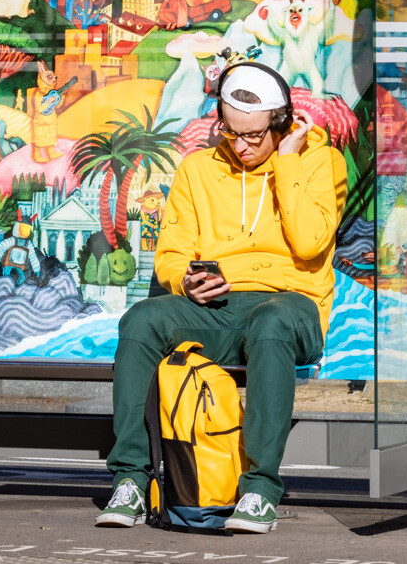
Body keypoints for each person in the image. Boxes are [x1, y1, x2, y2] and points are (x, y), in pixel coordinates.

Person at [96, 61, 346, 533]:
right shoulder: (197, 169)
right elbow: (170, 256)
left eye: (254, 135)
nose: (243, 146)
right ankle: (130, 480)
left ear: (282, 124)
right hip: (219, 306)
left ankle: (260, 489)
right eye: (232, 133)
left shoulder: (318, 162)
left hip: (291, 305)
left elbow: (311, 241)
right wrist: (185, 283)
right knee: (142, 319)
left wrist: (288, 160)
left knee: (271, 322)